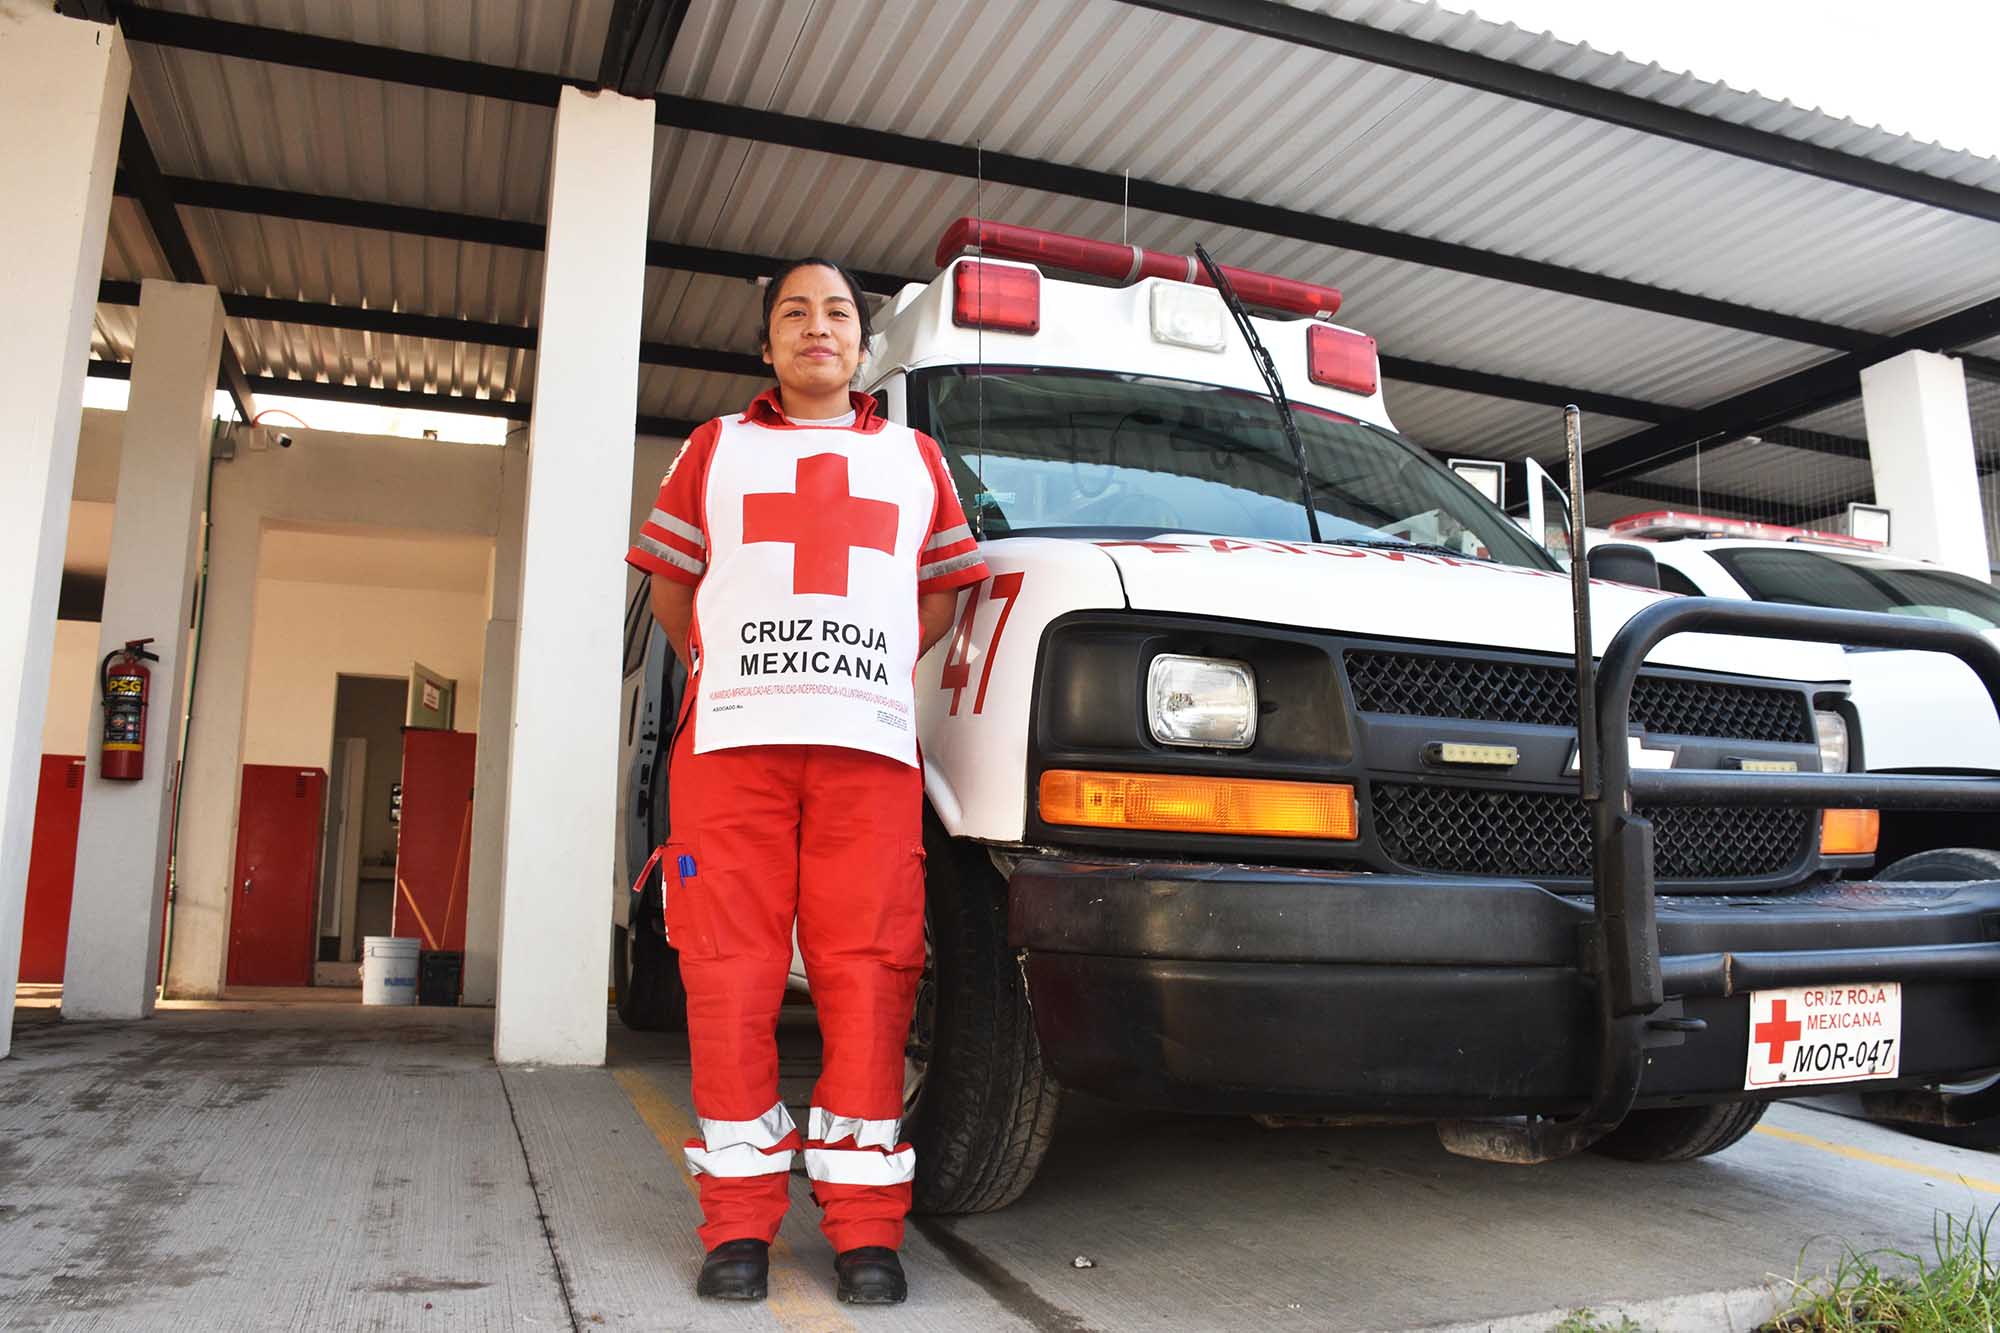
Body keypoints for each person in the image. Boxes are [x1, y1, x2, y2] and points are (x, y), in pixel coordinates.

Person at [624, 257, 987, 1305]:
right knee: (726, 973)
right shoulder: (714, 449)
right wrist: (752, 666)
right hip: (731, 750)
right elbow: (672, 593)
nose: (815, 327)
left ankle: (865, 1226)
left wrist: (853, 662)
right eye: (793, 312)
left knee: (869, 974)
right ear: (766, 344)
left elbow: (937, 602)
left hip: (865, 751)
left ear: (860, 343)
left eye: (835, 312)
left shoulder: (917, 459)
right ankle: (737, 1226)